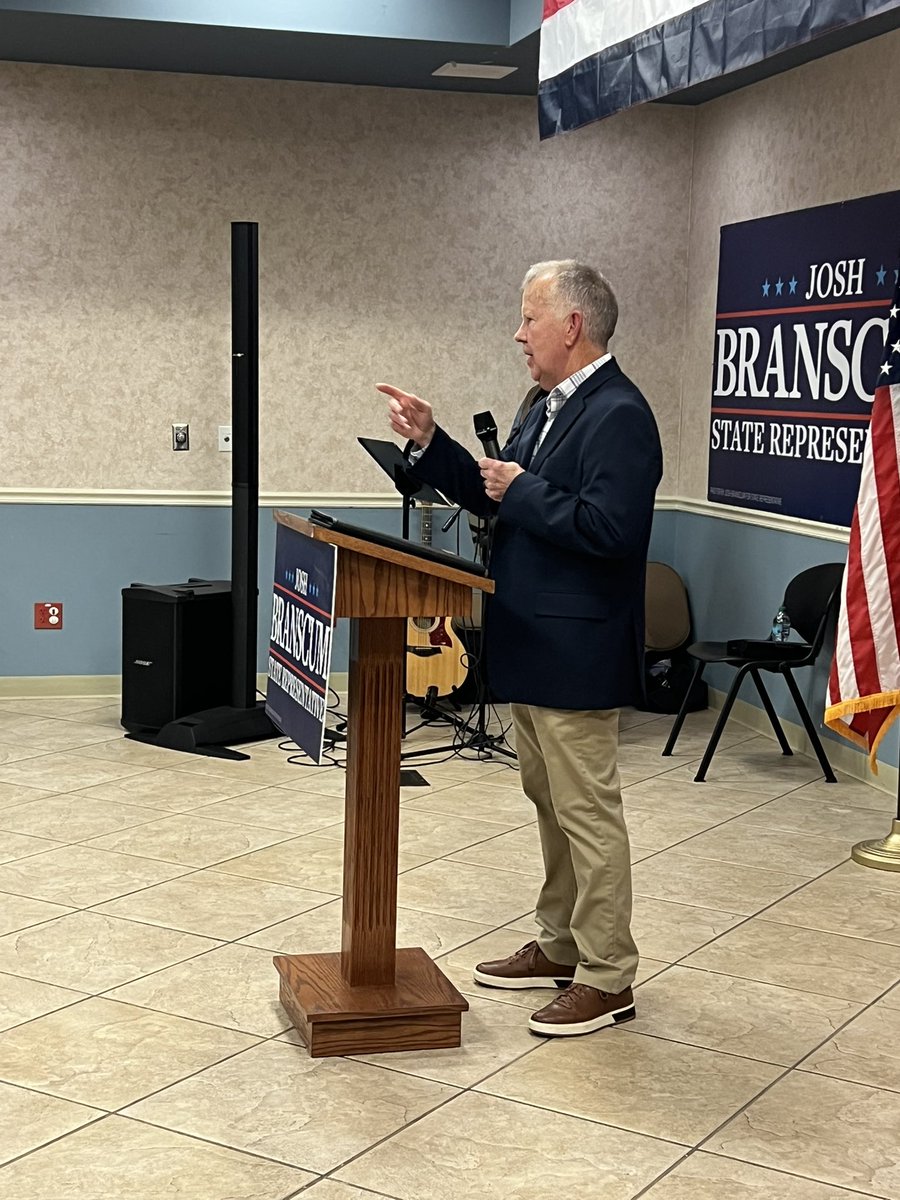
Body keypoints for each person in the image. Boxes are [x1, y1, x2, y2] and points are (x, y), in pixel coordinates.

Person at [377, 259, 662, 1037]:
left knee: (588, 813)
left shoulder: (619, 414)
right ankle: (562, 943)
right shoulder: (545, 404)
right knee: (549, 804)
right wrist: (434, 444)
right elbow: (493, 490)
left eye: (529, 317)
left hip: (577, 650)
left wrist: (522, 489)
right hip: (532, 641)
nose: (518, 332)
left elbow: (612, 529)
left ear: (572, 325)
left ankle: (608, 977)